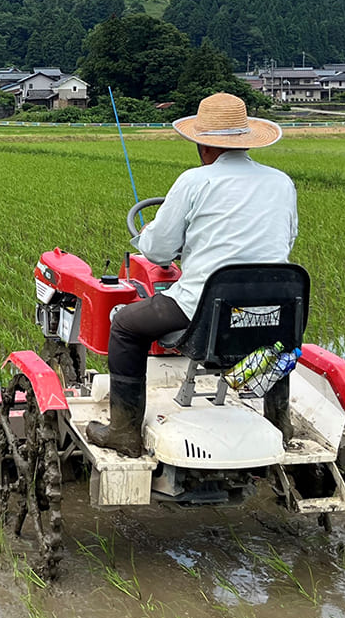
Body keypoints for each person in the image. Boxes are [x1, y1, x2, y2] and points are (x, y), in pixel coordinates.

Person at [87, 92, 298, 456]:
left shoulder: (194, 182)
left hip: (203, 307)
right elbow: (287, 238)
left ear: (202, 145)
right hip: (273, 309)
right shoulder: (281, 182)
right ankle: (280, 423)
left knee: (124, 325)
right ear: (246, 141)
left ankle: (123, 431)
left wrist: (158, 238)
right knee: (276, 338)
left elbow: (157, 250)